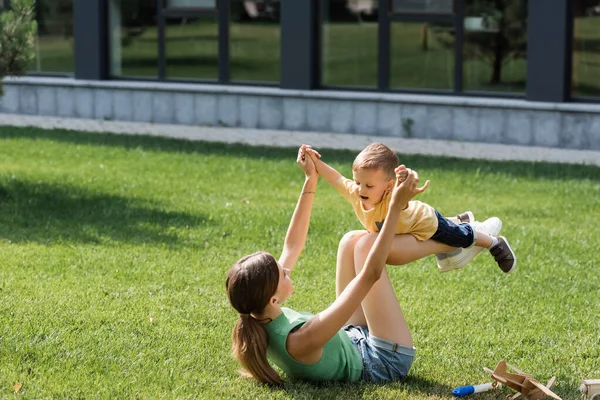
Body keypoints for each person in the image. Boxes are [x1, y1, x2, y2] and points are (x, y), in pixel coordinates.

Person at [225, 145, 466, 386]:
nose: (287, 269)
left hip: (351, 339)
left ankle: (451, 237)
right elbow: (370, 274)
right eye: (283, 274)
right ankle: (451, 244)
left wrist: (311, 178)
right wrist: (395, 206)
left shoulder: (258, 313)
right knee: (366, 246)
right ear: (273, 299)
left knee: (351, 240)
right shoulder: (299, 339)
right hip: (383, 360)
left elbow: (292, 245)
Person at [303, 143, 516, 273]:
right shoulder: (355, 192)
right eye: (358, 182)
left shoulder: (392, 197)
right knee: (450, 247)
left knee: (460, 238)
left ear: (388, 186)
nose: (360, 189)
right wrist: (313, 160)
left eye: (369, 185)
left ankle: (493, 242)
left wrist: (404, 181)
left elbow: (402, 198)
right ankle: (460, 220)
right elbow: (335, 177)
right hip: (407, 229)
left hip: (426, 223)